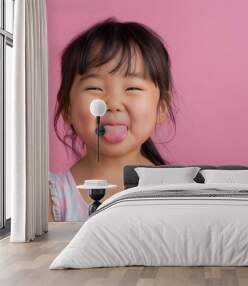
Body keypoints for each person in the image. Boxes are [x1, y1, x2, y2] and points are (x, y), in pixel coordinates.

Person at [49, 18, 176, 221]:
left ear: (161, 107)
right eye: (94, 88)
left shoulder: (178, 192)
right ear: (66, 107)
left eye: (132, 88)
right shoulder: (50, 197)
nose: (113, 103)